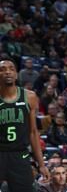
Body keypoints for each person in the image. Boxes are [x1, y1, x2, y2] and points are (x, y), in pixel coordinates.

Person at [0, 58, 50, 192]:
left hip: (20, 154)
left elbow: (33, 132)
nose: (7, 72)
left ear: (16, 74)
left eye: (11, 69)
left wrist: (42, 164)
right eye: (3, 69)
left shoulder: (29, 97)